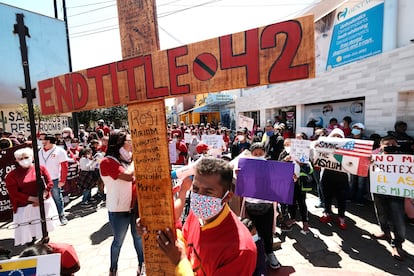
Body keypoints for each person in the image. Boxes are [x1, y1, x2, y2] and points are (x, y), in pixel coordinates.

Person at [138, 157, 257, 275]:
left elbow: (180, 256)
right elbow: (183, 238)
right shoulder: (196, 215)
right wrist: (156, 227)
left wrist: (179, 261)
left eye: (208, 192)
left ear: (227, 197)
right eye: (195, 189)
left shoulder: (241, 250)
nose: (199, 197)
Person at [99, 130, 144, 275]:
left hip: (134, 207)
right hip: (119, 210)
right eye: (129, 141)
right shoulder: (107, 162)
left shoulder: (127, 160)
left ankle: (141, 266)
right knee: (118, 241)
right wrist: (135, 160)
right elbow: (128, 176)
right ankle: (113, 269)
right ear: (119, 143)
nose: (131, 145)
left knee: (138, 238)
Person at [5, 147, 59, 246]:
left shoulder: (41, 168)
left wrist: (43, 195)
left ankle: (45, 245)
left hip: (43, 203)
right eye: (20, 158)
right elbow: (14, 193)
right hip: (24, 207)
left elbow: (49, 183)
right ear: (16, 160)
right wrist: (32, 199)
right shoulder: (11, 175)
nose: (24, 160)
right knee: (28, 232)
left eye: (26, 157)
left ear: (32, 157)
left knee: (44, 227)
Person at [243, 142, 281, 269]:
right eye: (255, 154)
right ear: (251, 154)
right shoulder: (245, 166)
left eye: (261, 153)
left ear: (265, 154)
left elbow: (280, 181)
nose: (258, 156)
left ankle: (269, 253)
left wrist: (291, 177)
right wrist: (238, 175)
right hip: (251, 205)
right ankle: (259, 253)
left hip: (267, 205)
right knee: (255, 231)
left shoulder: (271, 167)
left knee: (267, 231)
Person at [371, 135, 407, 261]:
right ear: (381, 146)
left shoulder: (404, 157)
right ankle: (385, 232)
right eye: (387, 145)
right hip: (379, 191)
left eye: (393, 144)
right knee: (381, 213)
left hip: (396, 193)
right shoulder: (374, 156)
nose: (391, 147)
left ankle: (397, 244)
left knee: (398, 220)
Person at [318, 128, 349, 230]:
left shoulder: (347, 148)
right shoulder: (324, 146)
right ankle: (327, 212)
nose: (336, 138)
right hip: (327, 174)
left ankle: (341, 217)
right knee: (327, 196)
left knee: (342, 198)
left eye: (339, 136)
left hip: (342, 176)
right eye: (334, 136)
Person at [38, 134, 69, 226]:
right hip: (42, 179)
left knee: (57, 198)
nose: (42, 142)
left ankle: (61, 215)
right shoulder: (39, 151)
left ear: (50, 141)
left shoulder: (60, 151)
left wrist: (62, 180)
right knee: (44, 199)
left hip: (54, 179)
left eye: (45, 141)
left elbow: (64, 167)